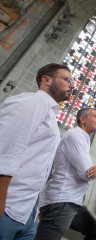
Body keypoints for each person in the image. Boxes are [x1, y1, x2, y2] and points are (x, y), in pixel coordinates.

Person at [0, 63, 74, 239]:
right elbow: (4, 152)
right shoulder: (33, 101)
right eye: (67, 79)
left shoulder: (48, 112)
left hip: (28, 210)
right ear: (46, 80)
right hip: (8, 205)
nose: (72, 85)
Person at [34, 107, 96, 240]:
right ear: (82, 119)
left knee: (94, 228)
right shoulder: (75, 136)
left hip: (73, 201)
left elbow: (91, 170)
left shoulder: (83, 138)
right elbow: (86, 173)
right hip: (61, 200)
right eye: (95, 116)